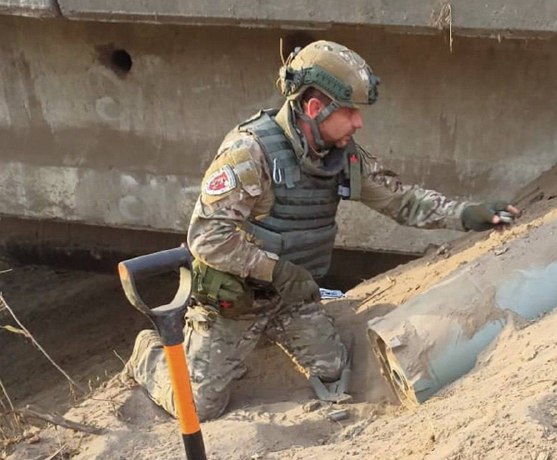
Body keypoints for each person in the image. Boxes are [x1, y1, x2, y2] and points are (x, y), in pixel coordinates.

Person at [125, 40, 519, 421]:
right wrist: (276, 271)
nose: (359, 122)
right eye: (349, 112)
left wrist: (467, 214)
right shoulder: (250, 152)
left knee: (335, 378)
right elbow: (206, 238)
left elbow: (401, 201)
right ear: (315, 107)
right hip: (237, 302)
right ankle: (148, 354)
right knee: (199, 406)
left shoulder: (342, 154)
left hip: (293, 299)